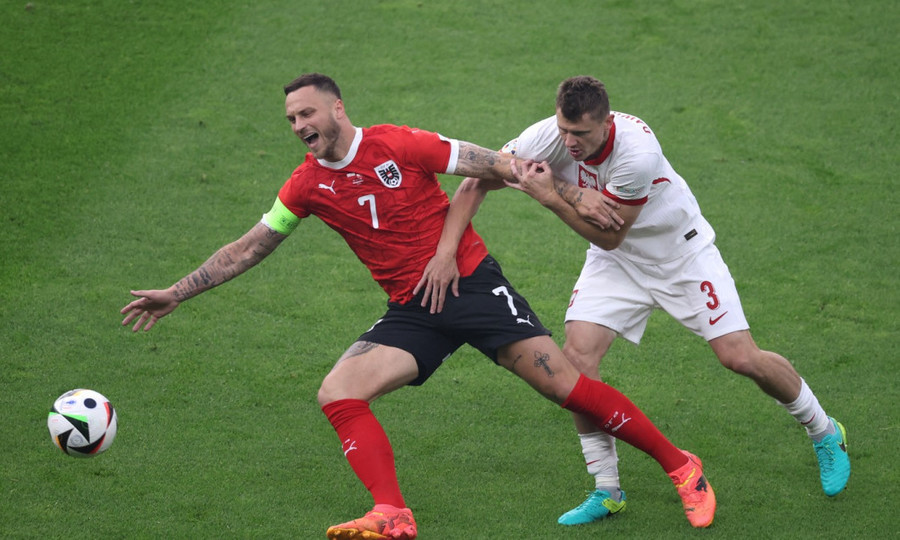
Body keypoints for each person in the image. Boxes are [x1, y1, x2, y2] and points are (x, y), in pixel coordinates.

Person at [120, 73, 716, 538]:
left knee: (566, 386)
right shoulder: (305, 185)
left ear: (337, 109)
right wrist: (178, 290)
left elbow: (495, 164)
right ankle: (391, 513)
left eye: (308, 112)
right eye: (292, 117)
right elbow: (250, 247)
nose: (300, 124)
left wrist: (565, 193)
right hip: (412, 309)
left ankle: (680, 465)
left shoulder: (399, 143)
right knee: (339, 391)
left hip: (473, 285)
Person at [451, 75, 850, 526]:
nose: (568, 142)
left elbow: (610, 233)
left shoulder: (637, 153)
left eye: (580, 134)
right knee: (577, 358)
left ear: (607, 122)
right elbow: (484, 174)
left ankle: (824, 430)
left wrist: (551, 197)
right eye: (564, 129)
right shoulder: (545, 136)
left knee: (739, 357)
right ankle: (607, 489)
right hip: (618, 265)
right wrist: (446, 250)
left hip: (681, 255)